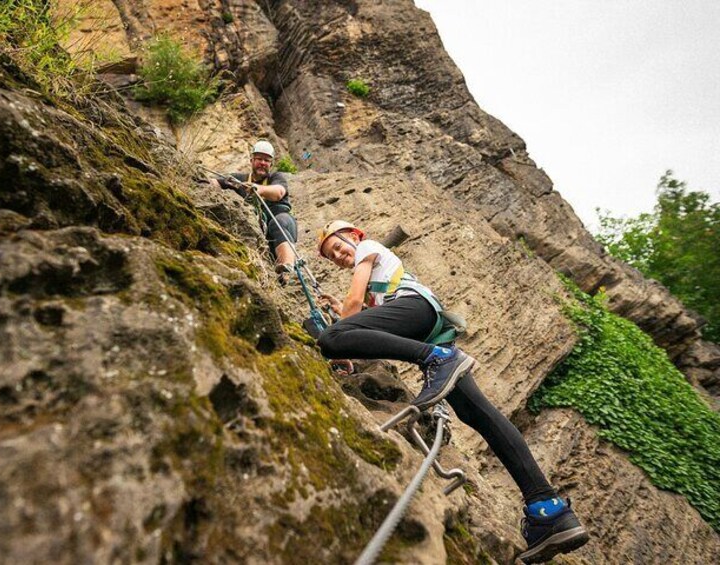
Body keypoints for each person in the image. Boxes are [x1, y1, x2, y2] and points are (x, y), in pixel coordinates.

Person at [315, 220, 589, 564]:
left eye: (339, 247)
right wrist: (344, 315)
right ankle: (547, 509)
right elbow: (373, 324)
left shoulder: (368, 249)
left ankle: (437, 359)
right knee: (478, 414)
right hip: (428, 324)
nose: (339, 256)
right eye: (331, 257)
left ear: (355, 236)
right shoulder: (378, 280)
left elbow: (354, 301)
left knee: (331, 339)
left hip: (420, 315)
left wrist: (340, 332)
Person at [211, 140, 297, 283]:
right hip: (261, 233)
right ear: (251, 160)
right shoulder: (240, 180)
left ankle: (287, 266)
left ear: (271, 164)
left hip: (283, 224)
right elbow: (217, 182)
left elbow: (279, 192)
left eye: (267, 160)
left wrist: (258, 189)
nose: (263, 163)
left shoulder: (276, 178)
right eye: (259, 159)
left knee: (277, 222)